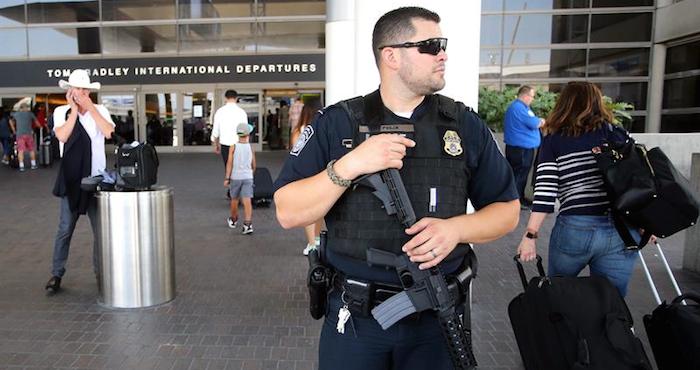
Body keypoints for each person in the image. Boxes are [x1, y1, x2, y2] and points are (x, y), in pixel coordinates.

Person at [273, 7, 519, 369]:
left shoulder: (463, 125)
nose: (443, 54)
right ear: (391, 55)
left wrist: (455, 229)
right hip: (355, 320)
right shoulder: (337, 123)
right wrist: (350, 165)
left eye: (443, 44)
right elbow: (287, 211)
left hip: (438, 317)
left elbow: (508, 210)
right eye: (431, 45)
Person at [517, 81, 640, 297]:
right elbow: (639, 178)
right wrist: (646, 222)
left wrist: (530, 235)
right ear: (597, 103)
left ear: (565, 103)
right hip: (621, 230)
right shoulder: (616, 134)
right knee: (612, 305)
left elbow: (545, 193)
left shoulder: (554, 140)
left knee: (560, 298)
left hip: (576, 228)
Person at [45, 69, 115, 293]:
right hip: (71, 179)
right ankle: (56, 273)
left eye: (85, 89)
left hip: (96, 179)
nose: (82, 92)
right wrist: (74, 110)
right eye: (78, 88)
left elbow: (108, 132)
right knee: (65, 229)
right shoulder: (61, 112)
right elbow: (63, 136)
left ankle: (100, 273)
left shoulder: (100, 110)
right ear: (70, 91)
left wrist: (91, 108)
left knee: (100, 231)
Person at [289, 98, 324, 256]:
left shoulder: (300, 130)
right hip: (323, 173)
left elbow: (295, 154)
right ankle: (317, 239)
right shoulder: (323, 127)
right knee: (320, 209)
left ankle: (312, 244)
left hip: (306, 174)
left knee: (309, 209)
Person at [504, 85, 545, 210]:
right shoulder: (519, 108)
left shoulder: (519, 107)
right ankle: (516, 202)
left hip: (520, 148)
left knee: (520, 175)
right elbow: (535, 123)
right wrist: (542, 121)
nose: (532, 99)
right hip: (520, 149)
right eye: (532, 96)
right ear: (525, 96)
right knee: (519, 175)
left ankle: (519, 198)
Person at [212, 90, 248, 198]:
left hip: (226, 144)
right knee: (240, 167)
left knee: (228, 167)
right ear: (236, 98)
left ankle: (232, 189)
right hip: (239, 144)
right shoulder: (241, 112)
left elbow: (216, 130)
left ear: (225, 98)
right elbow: (245, 130)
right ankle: (240, 189)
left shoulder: (220, 112)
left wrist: (215, 144)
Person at [224, 123, 256, 235]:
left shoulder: (233, 147)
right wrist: (251, 173)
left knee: (235, 199)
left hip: (235, 177)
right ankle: (248, 224)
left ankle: (233, 219)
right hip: (248, 177)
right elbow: (254, 165)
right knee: (247, 200)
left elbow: (229, 163)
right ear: (248, 134)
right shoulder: (251, 147)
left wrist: (227, 178)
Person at [9, 102, 39, 171]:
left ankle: (21, 166)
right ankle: (33, 165)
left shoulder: (16, 114)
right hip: (29, 134)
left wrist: (14, 130)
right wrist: (39, 126)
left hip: (20, 135)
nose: (28, 109)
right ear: (25, 108)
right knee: (31, 150)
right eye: (27, 107)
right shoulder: (30, 114)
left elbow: (10, 120)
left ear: (20, 108)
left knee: (21, 150)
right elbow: (37, 122)